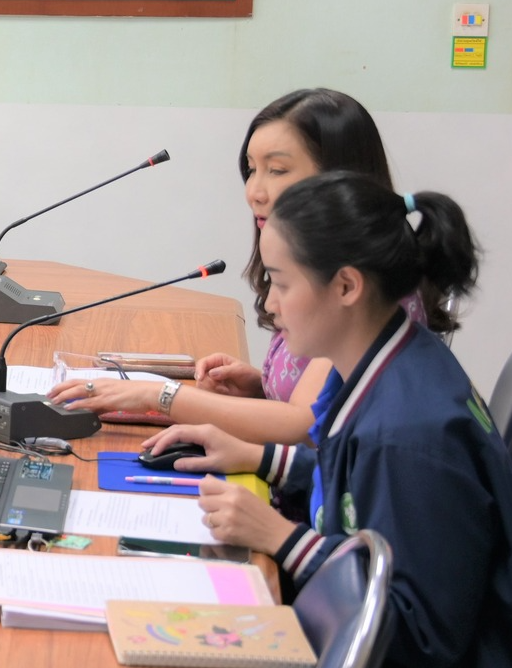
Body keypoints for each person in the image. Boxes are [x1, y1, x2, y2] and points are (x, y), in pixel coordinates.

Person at [145, 172, 512, 667]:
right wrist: (262, 458)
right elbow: (357, 491)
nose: (271, 305)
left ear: (345, 285)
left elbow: (416, 642)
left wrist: (281, 537)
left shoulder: (406, 436)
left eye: (281, 282)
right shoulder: (388, 359)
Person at [46, 89, 446, 445]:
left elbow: (303, 425)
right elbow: (325, 398)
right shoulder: (324, 263)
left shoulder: (359, 284)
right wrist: (261, 386)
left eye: (277, 170)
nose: (254, 191)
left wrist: (160, 396)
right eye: (251, 169)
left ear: (339, 180)